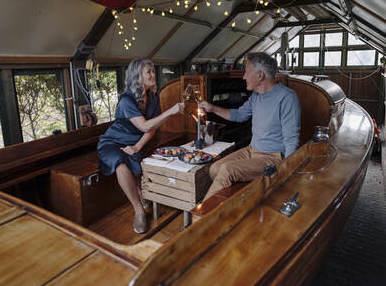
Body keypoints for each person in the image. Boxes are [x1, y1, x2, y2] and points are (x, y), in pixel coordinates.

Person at [97, 59, 184, 233]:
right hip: (113, 142)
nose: (153, 75)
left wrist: (137, 147)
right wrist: (171, 111)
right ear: (138, 76)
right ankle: (139, 211)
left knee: (137, 158)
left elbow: (151, 129)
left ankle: (144, 197)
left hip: (136, 141)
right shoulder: (126, 100)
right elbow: (144, 125)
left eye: (153, 71)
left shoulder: (152, 97)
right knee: (121, 163)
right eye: (149, 72)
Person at [199, 52, 300, 200]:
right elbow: (239, 115)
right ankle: (234, 203)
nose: (244, 77)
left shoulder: (287, 98)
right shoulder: (256, 96)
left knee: (227, 170)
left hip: (273, 157)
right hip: (252, 150)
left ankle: (201, 218)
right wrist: (212, 108)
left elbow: (291, 140)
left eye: (247, 72)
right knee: (214, 169)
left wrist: (286, 174)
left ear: (260, 75)